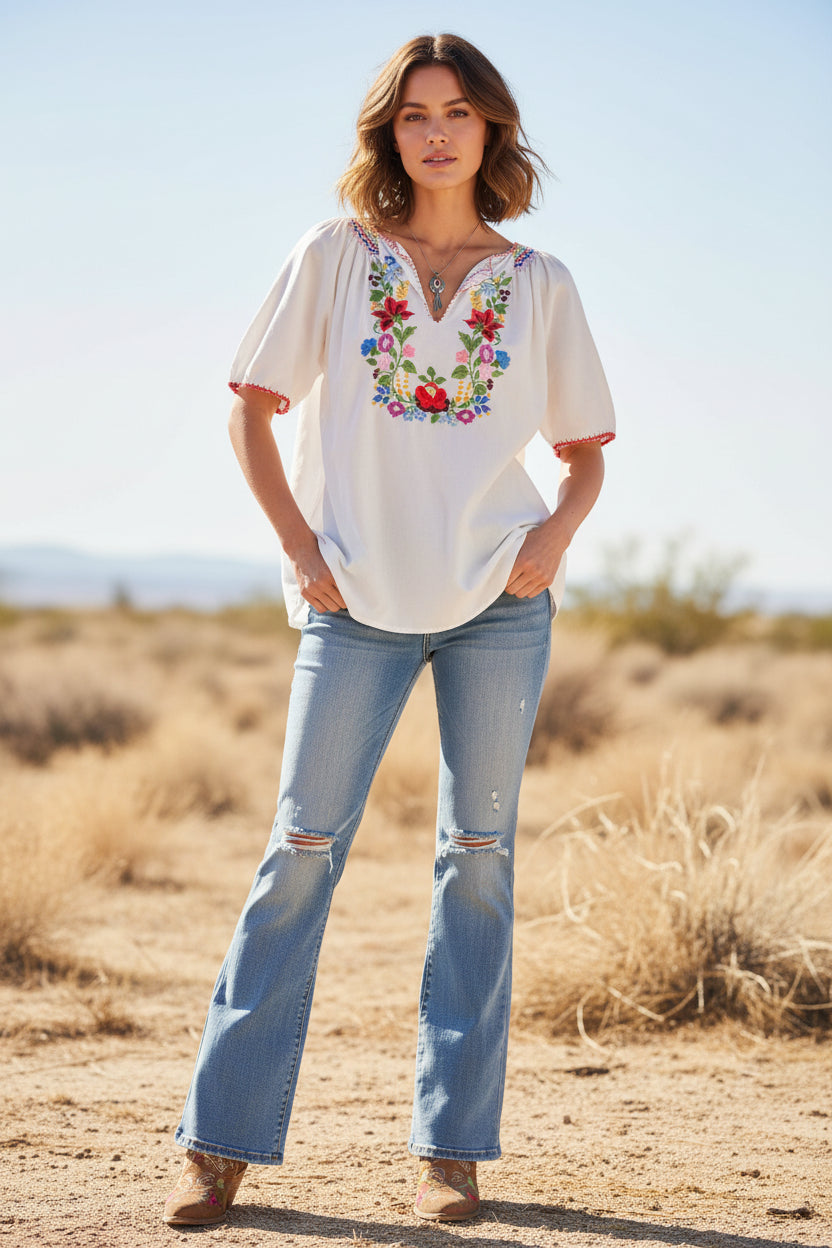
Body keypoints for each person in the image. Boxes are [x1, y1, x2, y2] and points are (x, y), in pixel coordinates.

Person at [163, 32, 614, 1228]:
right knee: (299, 849)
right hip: (352, 601)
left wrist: (553, 537)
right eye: (415, 113)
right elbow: (250, 412)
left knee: (479, 859)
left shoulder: (540, 284)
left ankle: (450, 1154)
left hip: (499, 607)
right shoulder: (334, 256)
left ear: (490, 128)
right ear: (388, 132)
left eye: (457, 111)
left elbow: (584, 456)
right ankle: (218, 1144)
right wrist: (301, 551)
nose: (436, 132)